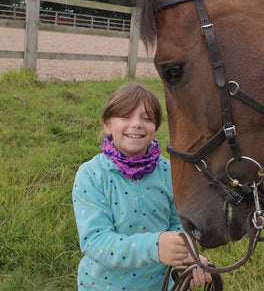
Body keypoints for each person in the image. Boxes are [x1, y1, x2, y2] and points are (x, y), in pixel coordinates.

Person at [72, 82, 212, 290]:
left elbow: (177, 224)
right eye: (126, 116)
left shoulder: (170, 172)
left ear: (155, 128)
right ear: (107, 124)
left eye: (147, 118)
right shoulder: (91, 175)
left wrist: (187, 258)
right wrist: (155, 247)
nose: (137, 124)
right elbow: (96, 241)